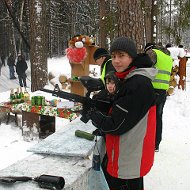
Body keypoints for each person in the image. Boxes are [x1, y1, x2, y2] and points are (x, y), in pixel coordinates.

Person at [86, 37, 157, 190]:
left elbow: (115, 125)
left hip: (127, 160)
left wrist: (93, 114)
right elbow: (121, 109)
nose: (116, 61)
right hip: (127, 155)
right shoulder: (129, 78)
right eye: (114, 56)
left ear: (132, 57)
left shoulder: (137, 84)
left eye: (121, 56)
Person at [144, 43, 173, 152]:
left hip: (152, 90)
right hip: (163, 92)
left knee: (147, 117)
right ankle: (156, 143)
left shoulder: (153, 53)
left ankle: (148, 142)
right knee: (158, 117)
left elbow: (143, 65)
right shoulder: (168, 58)